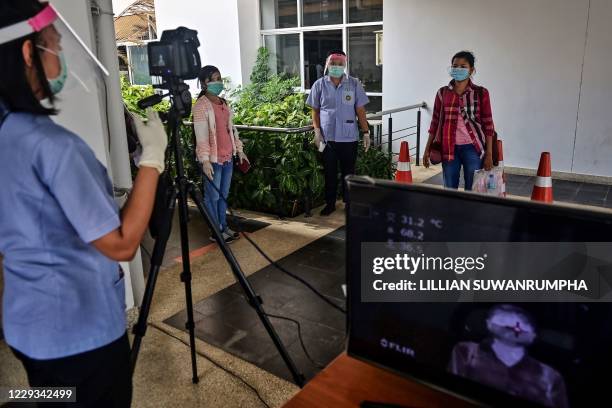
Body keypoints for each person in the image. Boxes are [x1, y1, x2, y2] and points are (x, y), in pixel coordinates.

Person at [0, 1, 167, 406]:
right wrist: (152, 159)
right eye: (55, 44)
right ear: (28, 53)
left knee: (50, 396)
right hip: (78, 334)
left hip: (28, 328)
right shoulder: (53, 146)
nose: (61, 56)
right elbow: (123, 244)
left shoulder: (7, 129)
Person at [449, 304, 569, 408]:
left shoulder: (550, 376)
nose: (515, 325)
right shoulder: (466, 351)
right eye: (504, 319)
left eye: (524, 322)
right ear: (488, 323)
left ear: (534, 334)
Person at [306, 50, 370, 216]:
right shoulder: (319, 85)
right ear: (328, 65)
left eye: (340, 64)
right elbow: (315, 110)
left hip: (349, 138)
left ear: (345, 65)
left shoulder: (354, 84)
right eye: (333, 63)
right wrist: (317, 131)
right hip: (328, 138)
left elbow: (360, 109)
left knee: (349, 173)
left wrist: (366, 132)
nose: (336, 67)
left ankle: (349, 204)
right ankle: (330, 203)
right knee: (330, 173)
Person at [423, 51, 495, 190]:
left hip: (473, 148)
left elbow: (488, 124)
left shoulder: (481, 93)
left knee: (473, 189)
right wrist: (427, 149)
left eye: (463, 66)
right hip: (449, 148)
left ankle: (469, 212)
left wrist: (489, 154)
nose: (458, 69)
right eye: (455, 66)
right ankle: (452, 212)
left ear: (471, 70)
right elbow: (435, 123)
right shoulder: (442, 93)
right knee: (450, 189)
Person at [194, 65, 248, 243]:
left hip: (228, 157)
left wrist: (239, 150)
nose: (218, 82)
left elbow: (231, 130)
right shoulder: (201, 106)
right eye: (214, 79)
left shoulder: (223, 103)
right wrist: (205, 161)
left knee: (223, 195)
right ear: (204, 83)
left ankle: (224, 227)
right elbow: (201, 137)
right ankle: (215, 230)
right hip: (213, 159)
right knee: (212, 196)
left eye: (219, 78)